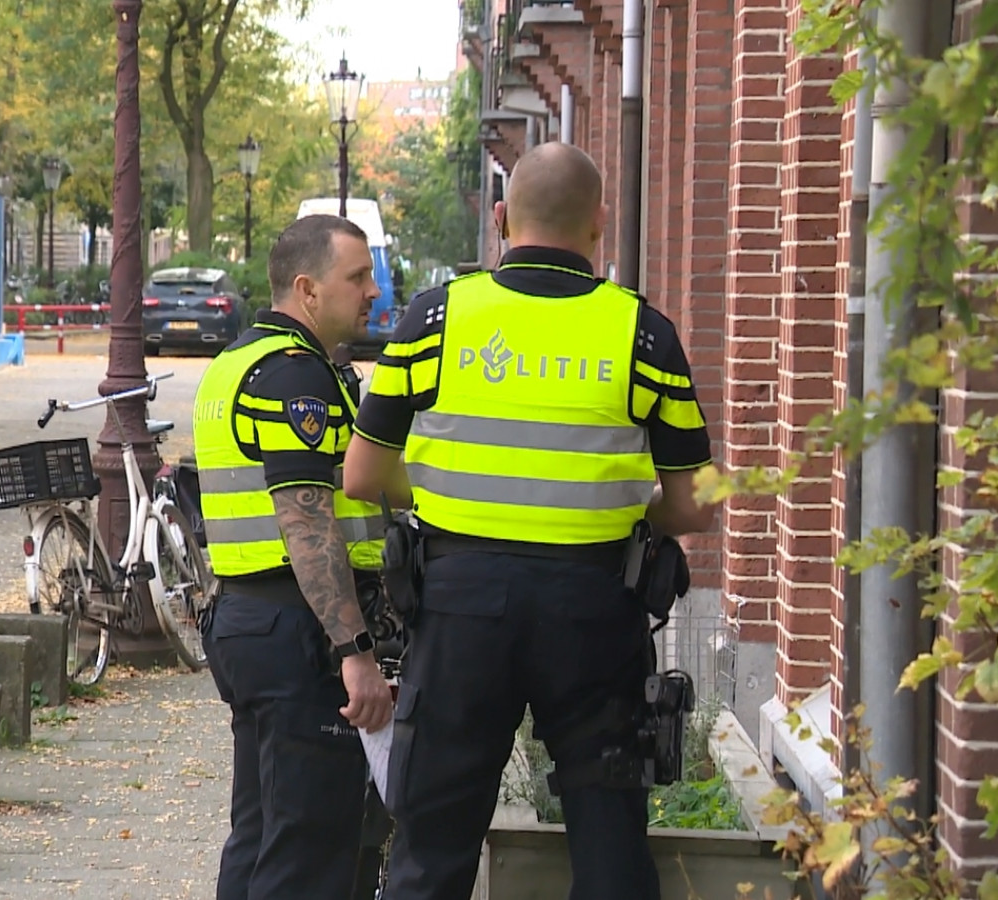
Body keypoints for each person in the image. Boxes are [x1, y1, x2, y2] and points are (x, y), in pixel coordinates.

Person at [341, 141, 719, 900]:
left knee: (431, 846)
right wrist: (616, 499)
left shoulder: (436, 319)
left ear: (503, 217)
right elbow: (696, 504)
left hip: (459, 608)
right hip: (593, 612)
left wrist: (461, 494)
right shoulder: (645, 334)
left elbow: (363, 476)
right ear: (599, 224)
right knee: (611, 840)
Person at [193, 214, 396, 900]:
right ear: (308, 289)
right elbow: (307, 526)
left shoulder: (238, 363)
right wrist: (355, 650)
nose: (372, 291)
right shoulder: (295, 378)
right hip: (299, 632)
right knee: (309, 850)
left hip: (251, 623)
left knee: (260, 839)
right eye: (357, 277)